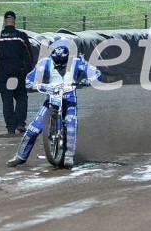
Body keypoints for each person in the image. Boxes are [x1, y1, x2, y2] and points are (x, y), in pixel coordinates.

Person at [7, 38, 101, 169]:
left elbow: (96, 72)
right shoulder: (44, 63)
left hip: (69, 100)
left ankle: (69, 155)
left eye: (63, 62)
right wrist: (32, 83)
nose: (60, 65)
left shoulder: (78, 62)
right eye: (57, 61)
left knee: (71, 123)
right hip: (51, 99)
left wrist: (88, 79)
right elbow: (29, 77)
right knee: (33, 128)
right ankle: (20, 156)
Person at [0, 11, 35, 135]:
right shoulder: (21, 35)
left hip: (3, 69)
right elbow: (29, 54)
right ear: (15, 20)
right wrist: (29, 70)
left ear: (5, 21)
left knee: (7, 99)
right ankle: (20, 123)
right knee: (21, 97)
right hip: (19, 69)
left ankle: (10, 127)